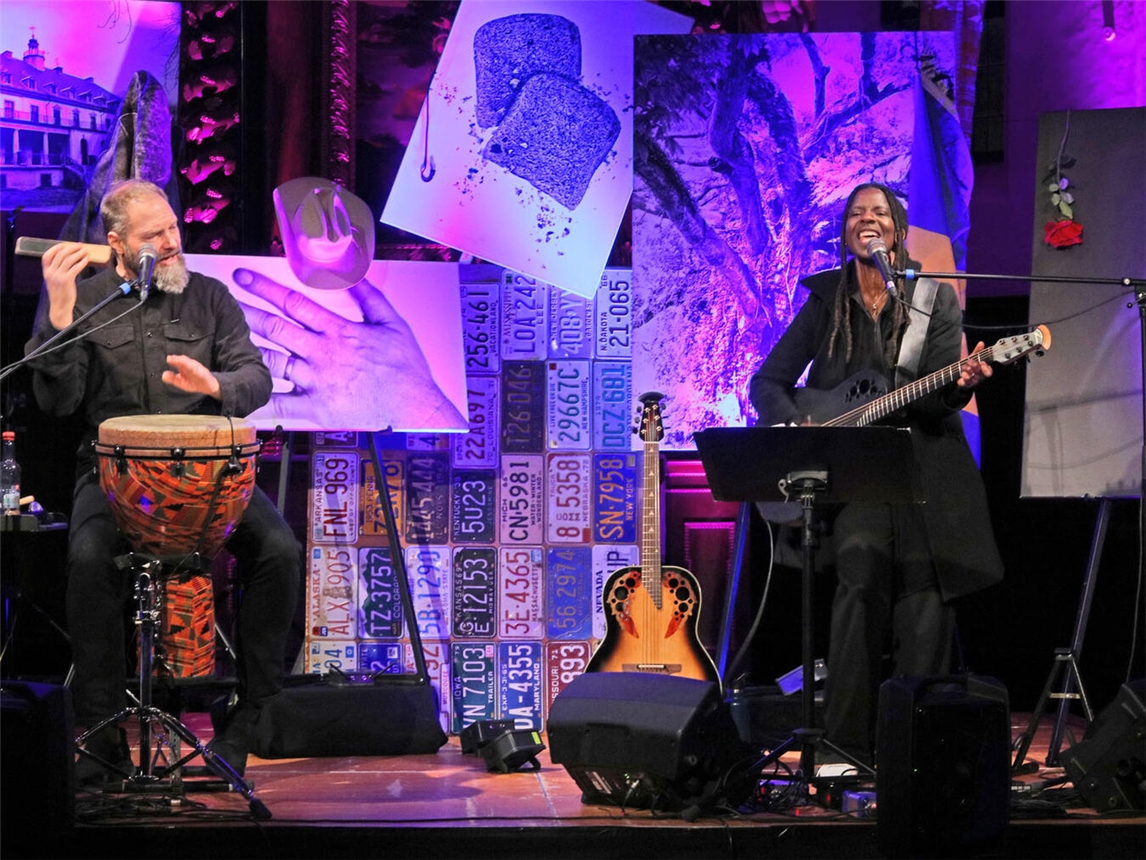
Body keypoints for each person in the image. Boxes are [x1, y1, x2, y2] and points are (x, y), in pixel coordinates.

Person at [25, 179, 301, 784]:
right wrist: (63, 314)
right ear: (117, 243)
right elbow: (58, 401)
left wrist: (216, 387)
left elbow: (255, 379)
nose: (173, 242)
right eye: (156, 235)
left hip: (207, 472)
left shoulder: (209, 297)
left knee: (280, 550)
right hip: (114, 473)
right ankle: (102, 738)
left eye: (174, 227)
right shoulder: (86, 298)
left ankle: (250, 718)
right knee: (90, 559)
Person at [748, 182, 1004, 766]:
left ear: (899, 231)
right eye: (857, 213)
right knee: (858, 581)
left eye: (880, 212)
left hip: (924, 477)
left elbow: (936, 398)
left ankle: (920, 753)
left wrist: (958, 384)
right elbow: (767, 383)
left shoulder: (932, 299)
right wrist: (798, 427)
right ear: (846, 231)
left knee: (925, 603)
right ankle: (843, 747)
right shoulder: (826, 300)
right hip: (856, 477)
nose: (868, 219)